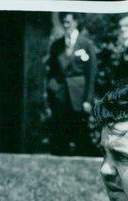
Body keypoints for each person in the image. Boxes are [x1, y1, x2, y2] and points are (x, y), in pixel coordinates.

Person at [45, 12, 98, 156]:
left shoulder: (86, 44)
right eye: (63, 22)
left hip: (78, 94)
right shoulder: (57, 45)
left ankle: (80, 156)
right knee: (61, 130)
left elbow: (91, 73)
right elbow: (51, 71)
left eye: (68, 22)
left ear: (75, 22)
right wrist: (52, 89)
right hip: (60, 94)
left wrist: (88, 99)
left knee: (79, 130)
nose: (65, 25)